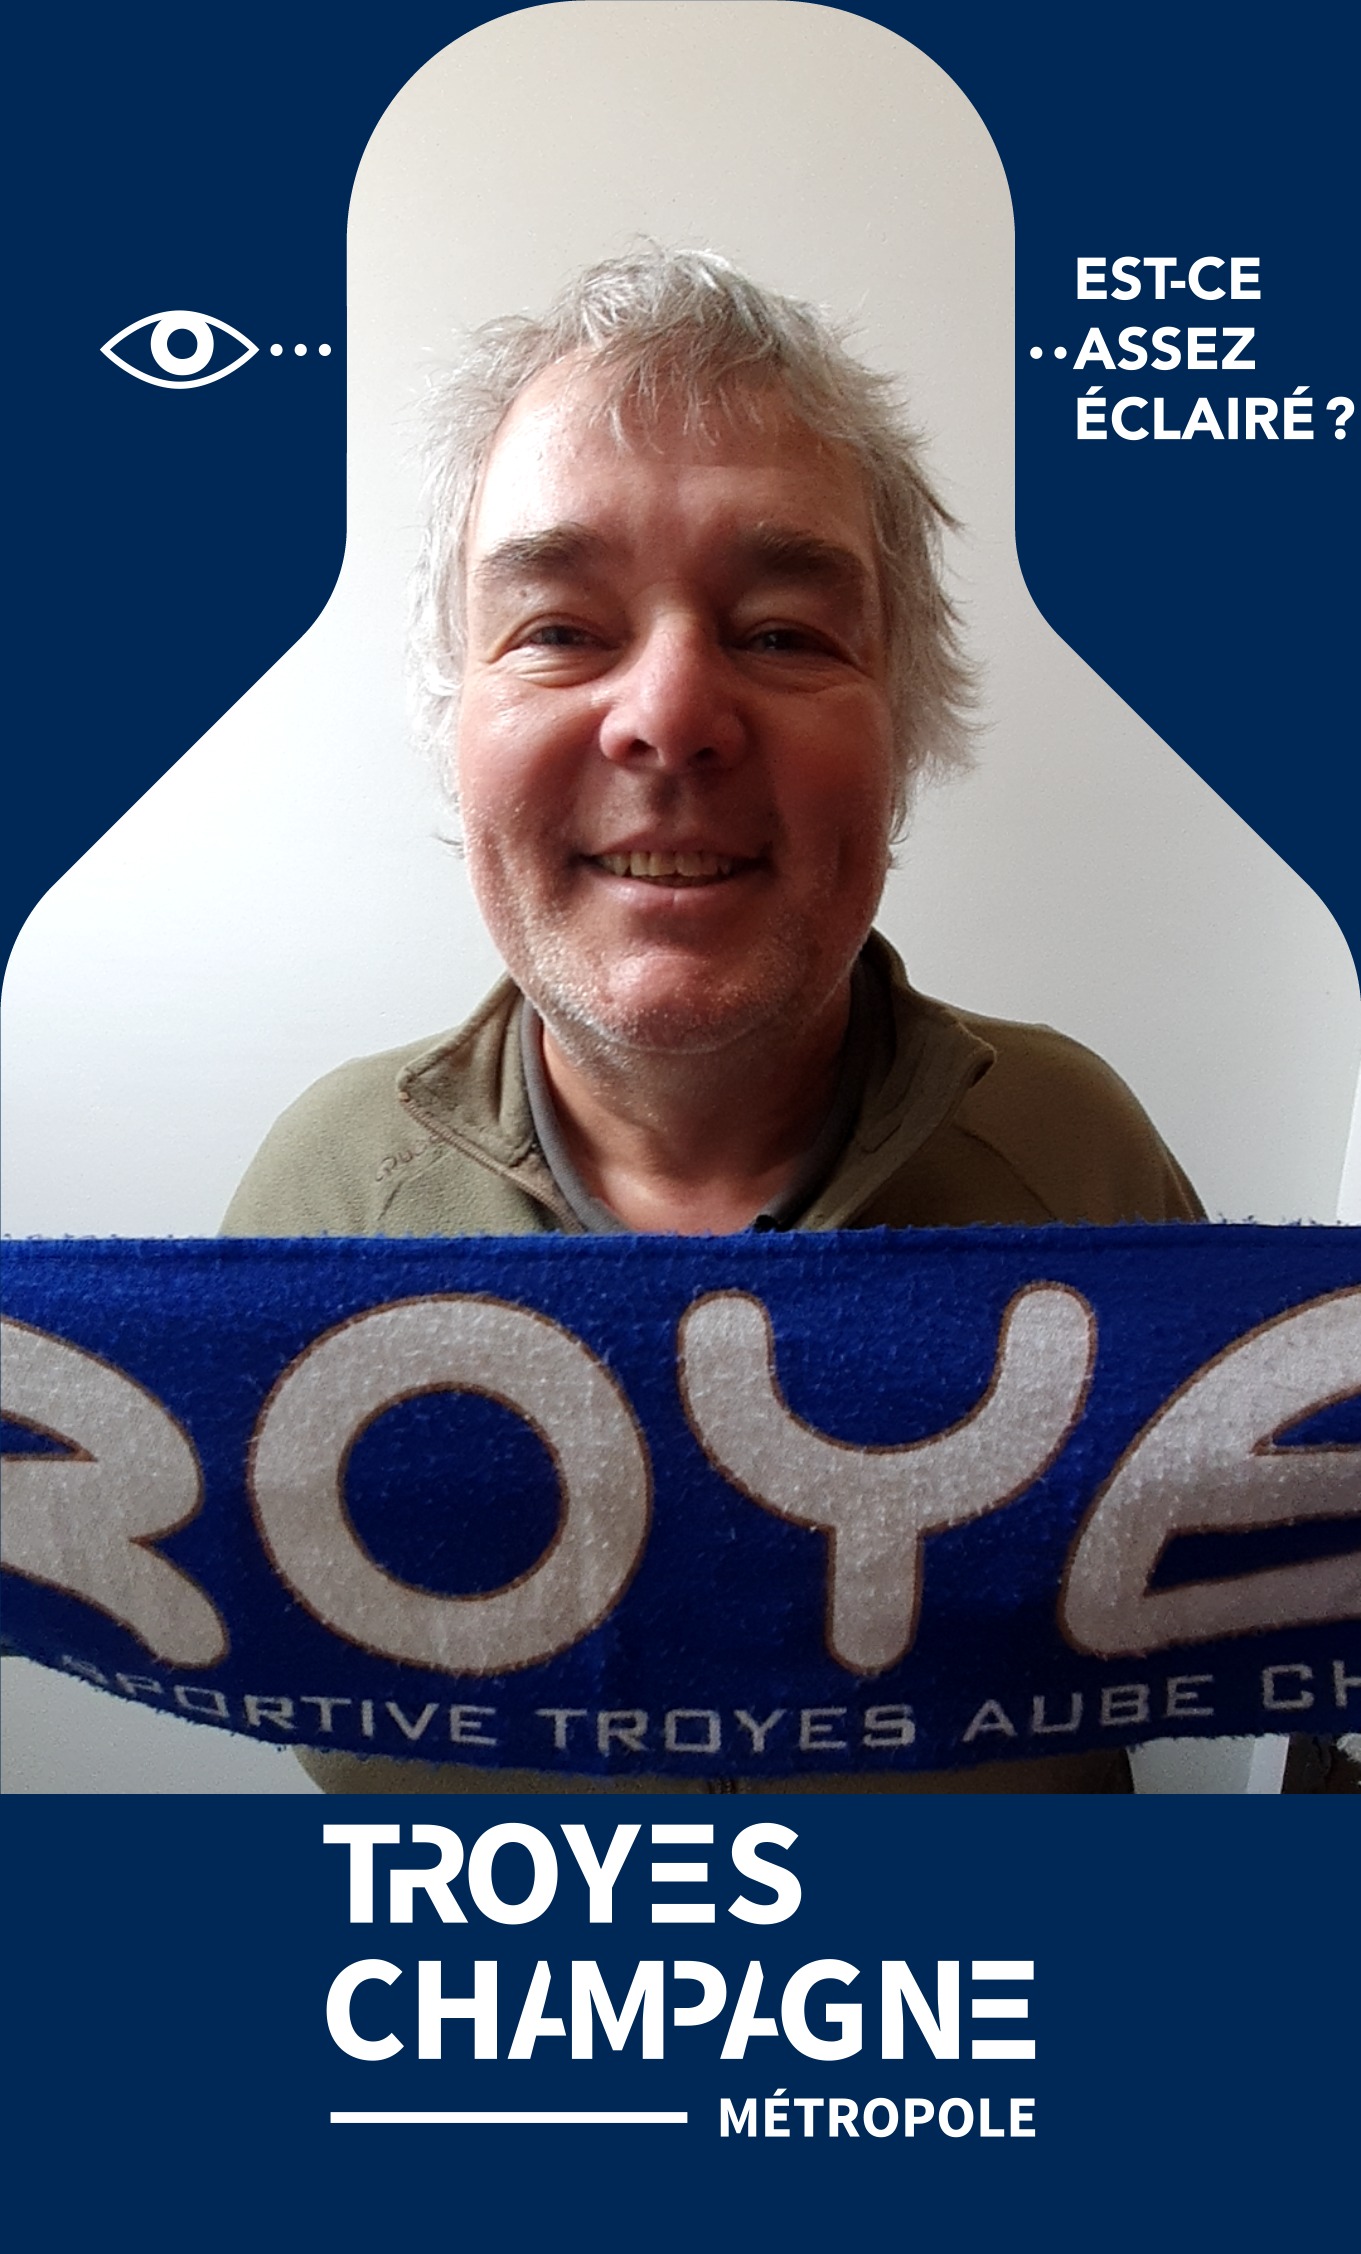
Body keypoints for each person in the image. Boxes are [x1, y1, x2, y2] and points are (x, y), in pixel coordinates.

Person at [224, 248, 1201, 1795]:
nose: (671, 716)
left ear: (901, 725)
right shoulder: (318, 1202)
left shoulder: (1076, 1155)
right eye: (558, 628)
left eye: (785, 632)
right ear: (454, 717)